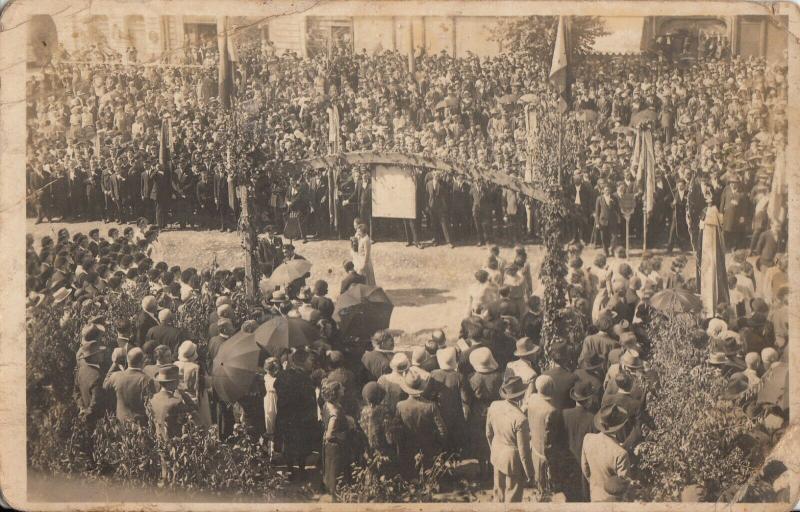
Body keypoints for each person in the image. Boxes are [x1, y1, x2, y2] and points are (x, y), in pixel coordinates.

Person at [485, 376, 534, 503]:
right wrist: (530, 473)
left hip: (496, 453)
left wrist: (494, 449)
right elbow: (524, 452)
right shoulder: (520, 419)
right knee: (513, 496)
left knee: (498, 492)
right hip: (512, 461)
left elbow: (488, 433)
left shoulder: (494, 406)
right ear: (521, 395)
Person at [274, 349, 319, 481]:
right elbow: (310, 399)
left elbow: (277, 386)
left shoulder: (283, 375)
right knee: (302, 444)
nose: (311, 364)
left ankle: (290, 470)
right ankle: (302, 469)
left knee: (288, 444)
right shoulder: (305, 378)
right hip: (301, 417)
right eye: (309, 361)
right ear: (303, 362)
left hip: (286, 416)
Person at [395, 371, 448, 478]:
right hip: (428, 447)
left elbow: (396, 427)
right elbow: (442, 430)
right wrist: (438, 444)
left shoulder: (400, 406)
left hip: (408, 448)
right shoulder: (430, 406)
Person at [465, 347, 503, 480]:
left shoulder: (472, 378)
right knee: (494, 438)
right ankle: (494, 469)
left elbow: (468, 398)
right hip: (495, 409)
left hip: (478, 412)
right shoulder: (499, 376)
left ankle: (482, 470)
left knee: (480, 440)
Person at [581, 404, 631, 502]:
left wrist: (595, 484)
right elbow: (623, 487)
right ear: (619, 426)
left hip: (594, 495)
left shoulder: (588, 439)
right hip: (613, 501)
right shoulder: (621, 453)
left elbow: (585, 469)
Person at [526, 375, 563, 494]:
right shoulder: (551, 410)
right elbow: (550, 437)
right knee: (547, 478)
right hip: (545, 450)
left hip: (535, 444)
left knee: (538, 475)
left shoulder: (532, 398)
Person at [562, 381, 598, 501]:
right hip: (585, 465)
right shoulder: (593, 419)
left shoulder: (564, 415)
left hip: (568, 463)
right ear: (588, 400)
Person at [102, 347, 156, 425]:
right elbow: (151, 405)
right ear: (142, 362)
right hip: (140, 425)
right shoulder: (147, 380)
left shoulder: (115, 376)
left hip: (120, 422)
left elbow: (104, 386)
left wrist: (114, 364)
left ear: (127, 360)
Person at [430, 347, 468, 453]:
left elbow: (428, 394)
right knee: (454, 438)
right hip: (455, 412)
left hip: (439, 410)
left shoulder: (434, 374)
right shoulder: (459, 376)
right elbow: (465, 398)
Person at [699, 190, 729, 318]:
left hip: (714, 243)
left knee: (715, 269)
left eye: (710, 196)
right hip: (706, 243)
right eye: (706, 196)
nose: (708, 199)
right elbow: (700, 227)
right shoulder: (704, 210)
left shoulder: (715, 210)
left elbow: (720, 227)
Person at [320, 380, 351, 500]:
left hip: (329, 446)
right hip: (335, 448)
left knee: (329, 472)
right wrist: (342, 435)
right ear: (336, 393)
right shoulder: (335, 413)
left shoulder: (328, 404)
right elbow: (329, 435)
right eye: (341, 388)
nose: (343, 389)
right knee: (335, 473)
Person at [174, 340, 212, 428]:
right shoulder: (196, 368)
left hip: (181, 397)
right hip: (197, 398)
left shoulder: (176, 365)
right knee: (201, 421)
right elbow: (207, 384)